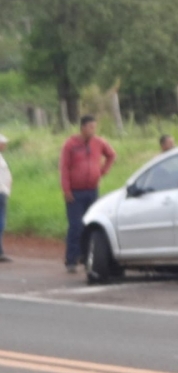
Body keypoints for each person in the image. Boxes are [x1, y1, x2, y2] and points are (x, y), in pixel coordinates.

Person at [60, 116, 116, 273]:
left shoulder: (99, 142)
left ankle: (86, 257)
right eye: (90, 127)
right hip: (75, 192)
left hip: (92, 190)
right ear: (83, 127)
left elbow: (111, 155)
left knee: (90, 224)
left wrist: (103, 171)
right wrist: (66, 189)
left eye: (94, 127)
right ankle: (71, 259)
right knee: (75, 225)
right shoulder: (70, 144)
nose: (93, 130)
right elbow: (64, 168)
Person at [0, 134, 12, 263]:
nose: (4, 145)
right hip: (0, 192)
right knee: (0, 222)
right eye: (2, 143)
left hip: (2, 192)